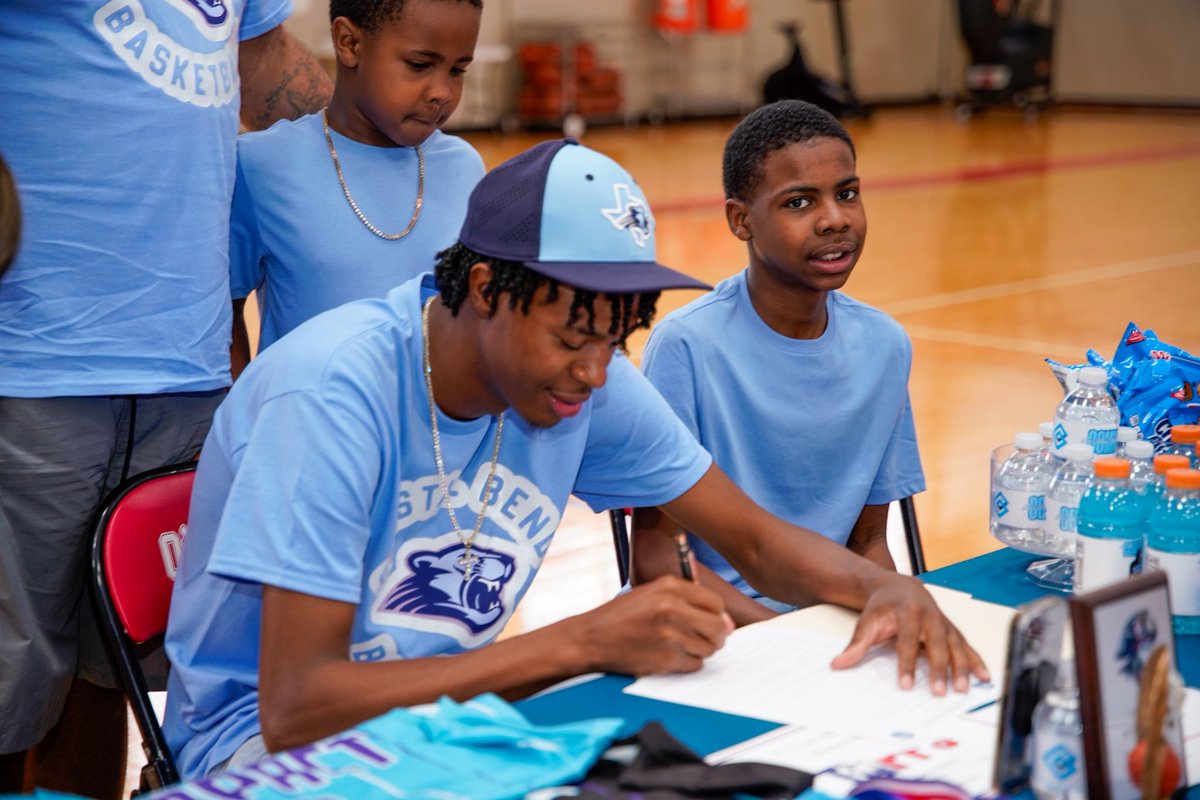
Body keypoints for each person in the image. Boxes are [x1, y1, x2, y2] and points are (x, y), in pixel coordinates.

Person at [163, 138, 986, 780]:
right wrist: (582, 641)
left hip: (451, 715)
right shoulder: (332, 395)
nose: (594, 373)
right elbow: (300, 707)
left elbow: (755, 541)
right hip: (262, 758)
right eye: (570, 338)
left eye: (615, 338)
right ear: (484, 287)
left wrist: (884, 586)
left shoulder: (580, 376)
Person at [0, 2, 331, 795]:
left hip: (186, 364)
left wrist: (397, 89)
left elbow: (257, 59)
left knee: (110, 666)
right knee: (9, 684)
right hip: (31, 361)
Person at [632, 100, 924, 627]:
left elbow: (869, 542)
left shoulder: (886, 345)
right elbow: (658, 561)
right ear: (740, 220)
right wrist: (780, 639)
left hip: (831, 619)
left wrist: (887, 614)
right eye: (798, 203)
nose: (834, 219)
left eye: (847, 194)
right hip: (727, 625)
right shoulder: (687, 346)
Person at [230, 0, 486, 377]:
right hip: (309, 430)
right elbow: (224, 315)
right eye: (419, 65)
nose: (442, 92)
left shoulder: (465, 167)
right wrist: (245, 418)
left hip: (430, 433)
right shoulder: (262, 165)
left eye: (458, 69)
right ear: (349, 42)